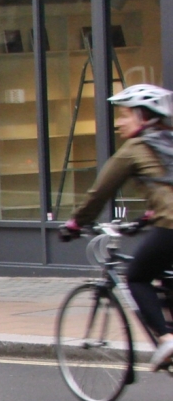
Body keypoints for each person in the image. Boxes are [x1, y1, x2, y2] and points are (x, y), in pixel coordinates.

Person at [62, 84, 173, 371]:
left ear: (143, 116)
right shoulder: (169, 141)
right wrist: (146, 218)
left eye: (125, 115)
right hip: (165, 219)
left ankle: (167, 339)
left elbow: (100, 192)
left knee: (137, 276)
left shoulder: (135, 148)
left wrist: (76, 223)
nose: (120, 122)